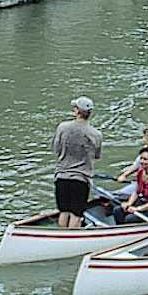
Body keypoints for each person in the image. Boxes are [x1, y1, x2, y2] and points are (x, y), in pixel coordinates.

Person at [51, 96, 103, 228]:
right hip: (81, 179)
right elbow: (96, 156)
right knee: (76, 214)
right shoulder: (96, 134)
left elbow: (56, 149)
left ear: (77, 111)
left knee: (64, 211)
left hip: (62, 176)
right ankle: (72, 240)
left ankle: (61, 239)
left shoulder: (62, 127)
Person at [115, 147, 148, 224]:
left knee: (130, 218)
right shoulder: (140, 172)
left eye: (145, 159)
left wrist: (138, 209)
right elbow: (136, 192)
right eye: (141, 158)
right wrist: (129, 203)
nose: (142, 161)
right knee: (118, 210)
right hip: (144, 203)